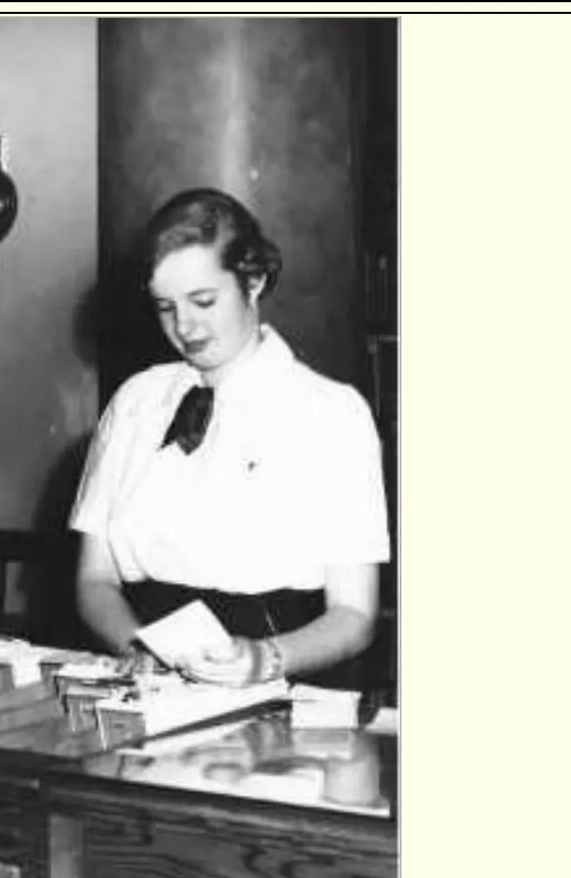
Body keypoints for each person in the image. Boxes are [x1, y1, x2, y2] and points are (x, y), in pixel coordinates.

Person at [71, 187, 390, 687]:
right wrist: (138, 646)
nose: (184, 326)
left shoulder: (332, 414)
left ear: (254, 280)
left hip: (284, 688)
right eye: (164, 306)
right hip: (151, 684)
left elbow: (354, 616)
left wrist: (264, 660)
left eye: (203, 300)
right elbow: (94, 579)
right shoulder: (135, 403)